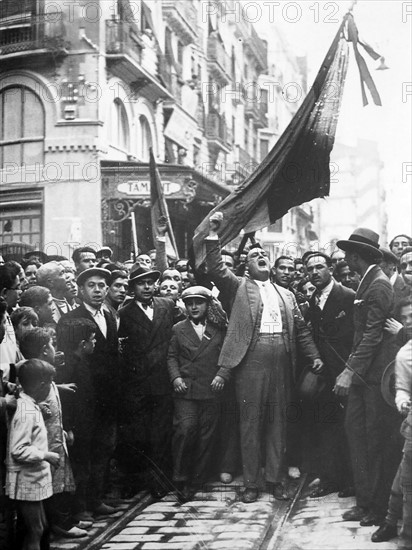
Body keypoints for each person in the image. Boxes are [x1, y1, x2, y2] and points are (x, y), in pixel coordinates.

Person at [203, 212, 322, 503]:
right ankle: (252, 482)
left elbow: (303, 330)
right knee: (251, 421)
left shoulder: (286, 294)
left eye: (262, 254)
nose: (260, 256)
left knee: (278, 422)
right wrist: (213, 235)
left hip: (282, 359)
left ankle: (274, 479)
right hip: (251, 361)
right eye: (254, 255)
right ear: (246, 266)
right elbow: (216, 268)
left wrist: (315, 356)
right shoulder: (239, 287)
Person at [335, 227, 399, 526]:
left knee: (375, 442)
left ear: (358, 256)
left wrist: (349, 371)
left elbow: (372, 336)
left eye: (349, 253)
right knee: (356, 436)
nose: (346, 259)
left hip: (373, 378)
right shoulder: (367, 282)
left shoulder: (379, 285)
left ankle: (377, 507)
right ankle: (365, 502)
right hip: (364, 375)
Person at [58, 267, 119, 517]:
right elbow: (69, 364)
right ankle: (80, 506)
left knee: (103, 449)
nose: (97, 290)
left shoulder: (110, 315)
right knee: (82, 452)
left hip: (107, 398)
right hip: (83, 397)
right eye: (91, 285)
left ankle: (95, 499)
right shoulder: (71, 320)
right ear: (81, 290)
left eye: (102, 286)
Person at [118, 264, 177, 498]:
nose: (147, 287)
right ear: (132, 287)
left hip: (163, 380)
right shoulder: (124, 313)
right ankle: (139, 481)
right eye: (141, 283)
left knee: (162, 432)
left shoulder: (168, 305)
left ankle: (162, 482)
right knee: (140, 434)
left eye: (151, 282)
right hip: (138, 383)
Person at [167, 286, 227, 502]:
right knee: (185, 430)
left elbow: (228, 356)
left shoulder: (219, 329)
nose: (193, 307)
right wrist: (176, 378)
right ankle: (181, 478)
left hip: (211, 389)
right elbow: (171, 356)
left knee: (206, 434)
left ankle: (197, 479)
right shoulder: (178, 329)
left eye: (198, 302)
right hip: (186, 390)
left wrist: (222, 375)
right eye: (189, 302)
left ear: (207, 305)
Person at [303, 252, 355, 497]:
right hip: (324, 373)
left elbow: (358, 337)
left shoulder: (348, 296)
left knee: (349, 426)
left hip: (346, 371)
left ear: (331, 269)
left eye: (320, 267)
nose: (315, 272)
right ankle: (331, 478)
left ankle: (352, 481)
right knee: (326, 425)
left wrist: (349, 370)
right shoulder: (312, 300)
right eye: (310, 268)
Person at [5, 358, 59, 550]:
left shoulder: (31, 404)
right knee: (35, 529)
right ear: (42, 385)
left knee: (40, 526)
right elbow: (18, 450)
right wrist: (46, 456)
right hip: (27, 479)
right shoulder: (26, 411)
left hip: (34, 477)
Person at [371, 297, 412, 547]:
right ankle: (406, 538)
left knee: (402, 479)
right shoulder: (405, 354)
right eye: (406, 319)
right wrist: (402, 401)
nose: (409, 323)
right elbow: (401, 388)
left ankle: (389, 521)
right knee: (407, 482)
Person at [56, 317, 98, 524]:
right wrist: (69, 427)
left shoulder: (82, 362)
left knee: (84, 466)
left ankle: (84, 507)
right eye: (93, 339)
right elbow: (67, 401)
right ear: (83, 344)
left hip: (86, 424)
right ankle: (77, 510)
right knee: (78, 469)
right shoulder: (70, 366)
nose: (95, 343)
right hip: (76, 426)